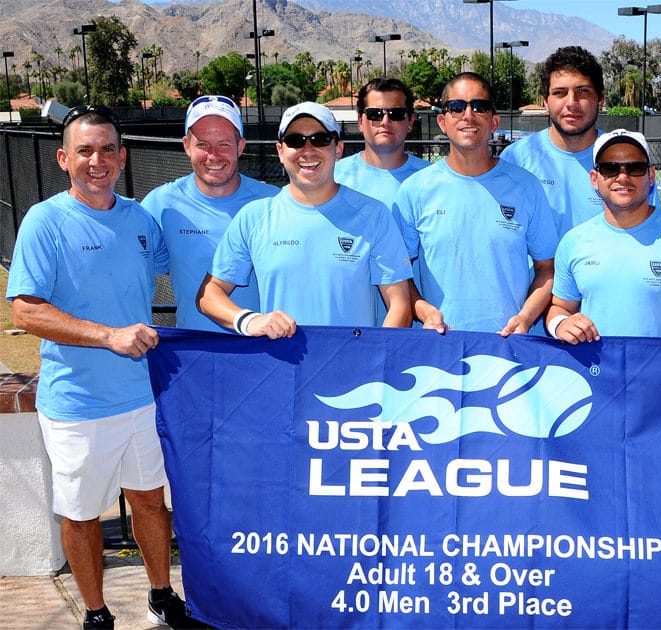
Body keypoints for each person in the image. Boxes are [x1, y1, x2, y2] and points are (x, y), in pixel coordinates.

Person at [6, 105, 196, 629]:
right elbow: (25, 309)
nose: (98, 160)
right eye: (85, 150)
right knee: (83, 516)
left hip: (142, 397)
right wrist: (108, 335)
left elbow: (178, 260)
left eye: (108, 149)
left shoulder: (139, 219)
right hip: (78, 405)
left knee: (151, 505)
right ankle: (96, 613)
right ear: (65, 158)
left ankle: (162, 597)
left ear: (123, 156)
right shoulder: (44, 221)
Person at [196, 101, 412, 337]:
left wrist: (372, 359)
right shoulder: (254, 217)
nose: (307, 150)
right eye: (295, 141)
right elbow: (209, 294)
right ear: (280, 151)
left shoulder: (374, 215)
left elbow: (400, 304)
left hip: (354, 370)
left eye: (320, 139)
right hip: (282, 370)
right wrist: (248, 321)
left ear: (338, 148)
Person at [393, 72, 558, 334]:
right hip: (440, 347)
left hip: (506, 349)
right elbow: (397, 275)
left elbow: (547, 269)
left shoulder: (526, 187)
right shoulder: (415, 190)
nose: (468, 115)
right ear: (442, 122)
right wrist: (424, 311)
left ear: (494, 122)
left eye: (479, 107)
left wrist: (525, 317)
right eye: (456, 107)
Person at [547, 129, 661, 342]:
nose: (623, 177)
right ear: (595, 179)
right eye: (610, 168)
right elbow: (560, 307)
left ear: (651, 175)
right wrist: (560, 324)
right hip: (595, 375)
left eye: (635, 168)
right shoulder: (574, 241)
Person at [142, 95, 279, 332]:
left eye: (224, 144)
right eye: (203, 144)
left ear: (240, 146)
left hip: (266, 353)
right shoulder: (160, 204)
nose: (213, 155)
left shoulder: (273, 202)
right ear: (186, 145)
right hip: (194, 354)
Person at [336, 78, 430, 324]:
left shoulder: (433, 181)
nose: (385, 122)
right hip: (355, 328)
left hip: (421, 328)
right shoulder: (332, 178)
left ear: (410, 122)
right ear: (360, 121)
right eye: (375, 114)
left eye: (396, 114)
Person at [498, 45, 608, 237]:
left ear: (601, 99)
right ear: (545, 102)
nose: (571, 103)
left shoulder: (626, 161)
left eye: (582, 91)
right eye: (559, 93)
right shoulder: (515, 158)